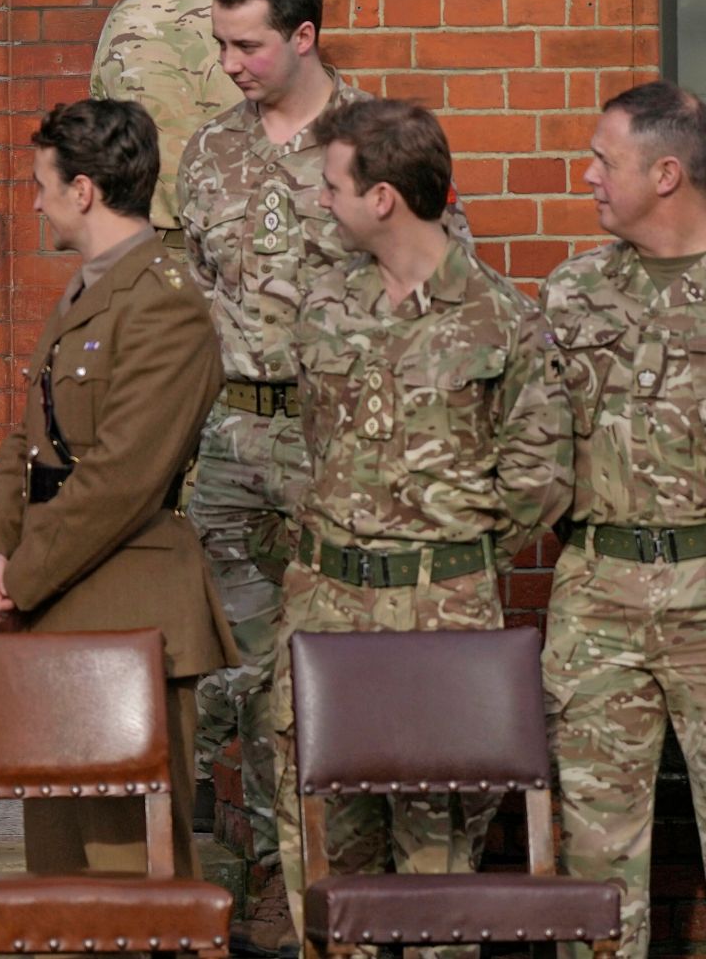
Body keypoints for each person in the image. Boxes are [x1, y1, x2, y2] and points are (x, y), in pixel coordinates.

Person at [175, 0, 474, 952]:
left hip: (334, 441)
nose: (230, 64)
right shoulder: (210, 153)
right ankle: (267, 887)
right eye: (221, 44)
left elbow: (440, 279)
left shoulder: (376, 146)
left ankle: (370, 903)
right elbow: (193, 295)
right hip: (225, 441)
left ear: (303, 37)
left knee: (335, 676)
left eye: (247, 45)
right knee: (235, 677)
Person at [269, 97, 572, 950]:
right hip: (324, 608)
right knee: (323, 859)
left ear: (383, 198)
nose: (321, 200)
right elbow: (311, 446)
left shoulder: (500, 319)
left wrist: (440, 548)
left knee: (438, 863)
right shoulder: (325, 306)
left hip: (442, 617)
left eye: (333, 184)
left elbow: (538, 483)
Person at [0, 98, 234, 883]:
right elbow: (29, 440)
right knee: (58, 871)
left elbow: (123, 476)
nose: (35, 198)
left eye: (42, 182)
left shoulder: (166, 300)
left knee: (131, 873)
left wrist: (22, 572)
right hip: (56, 609)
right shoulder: (91, 287)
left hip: (130, 608)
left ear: (83, 189)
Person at [540, 81, 706, 959]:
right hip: (597, 599)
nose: (588, 176)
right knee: (597, 870)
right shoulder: (571, 292)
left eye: (606, 161)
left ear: (667, 173)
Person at [91, 0, 258, 263]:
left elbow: (100, 147)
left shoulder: (131, 15)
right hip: (266, 251)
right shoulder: (288, 14)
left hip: (157, 255)